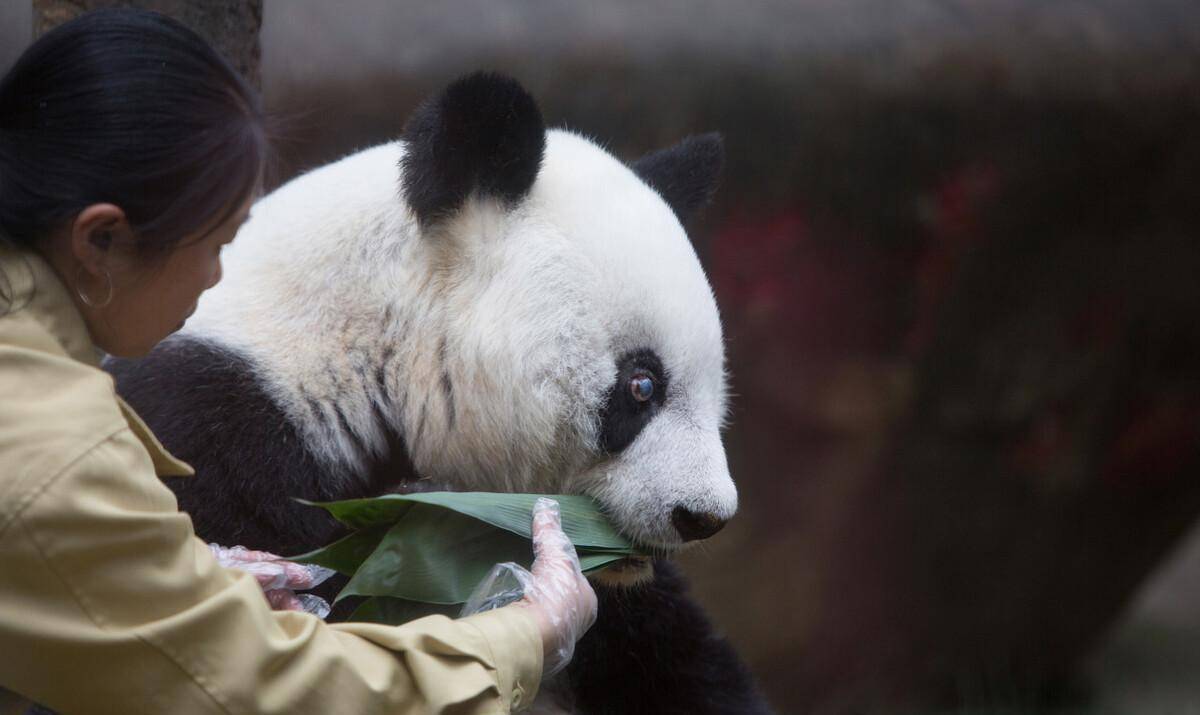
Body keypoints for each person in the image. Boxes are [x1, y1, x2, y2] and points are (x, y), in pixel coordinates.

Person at [0, 8, 596, 714]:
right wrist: (523, 637)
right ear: (101, 240)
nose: (220, 275)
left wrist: (152, 580)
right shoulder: (55, 454)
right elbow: (264, 686)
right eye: (216, 243)